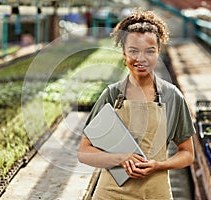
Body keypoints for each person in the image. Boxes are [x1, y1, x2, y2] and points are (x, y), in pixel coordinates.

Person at [78, 8, 195, 200]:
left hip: (155, 193)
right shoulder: (112, 95)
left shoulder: (172, 97)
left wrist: (159, 165)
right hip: (111, 194)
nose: (141, 58)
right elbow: (85, 152)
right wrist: (119, 158)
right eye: (133, 51)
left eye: (149, 51)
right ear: (124, 54)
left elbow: (187, 153)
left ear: (158, 53)